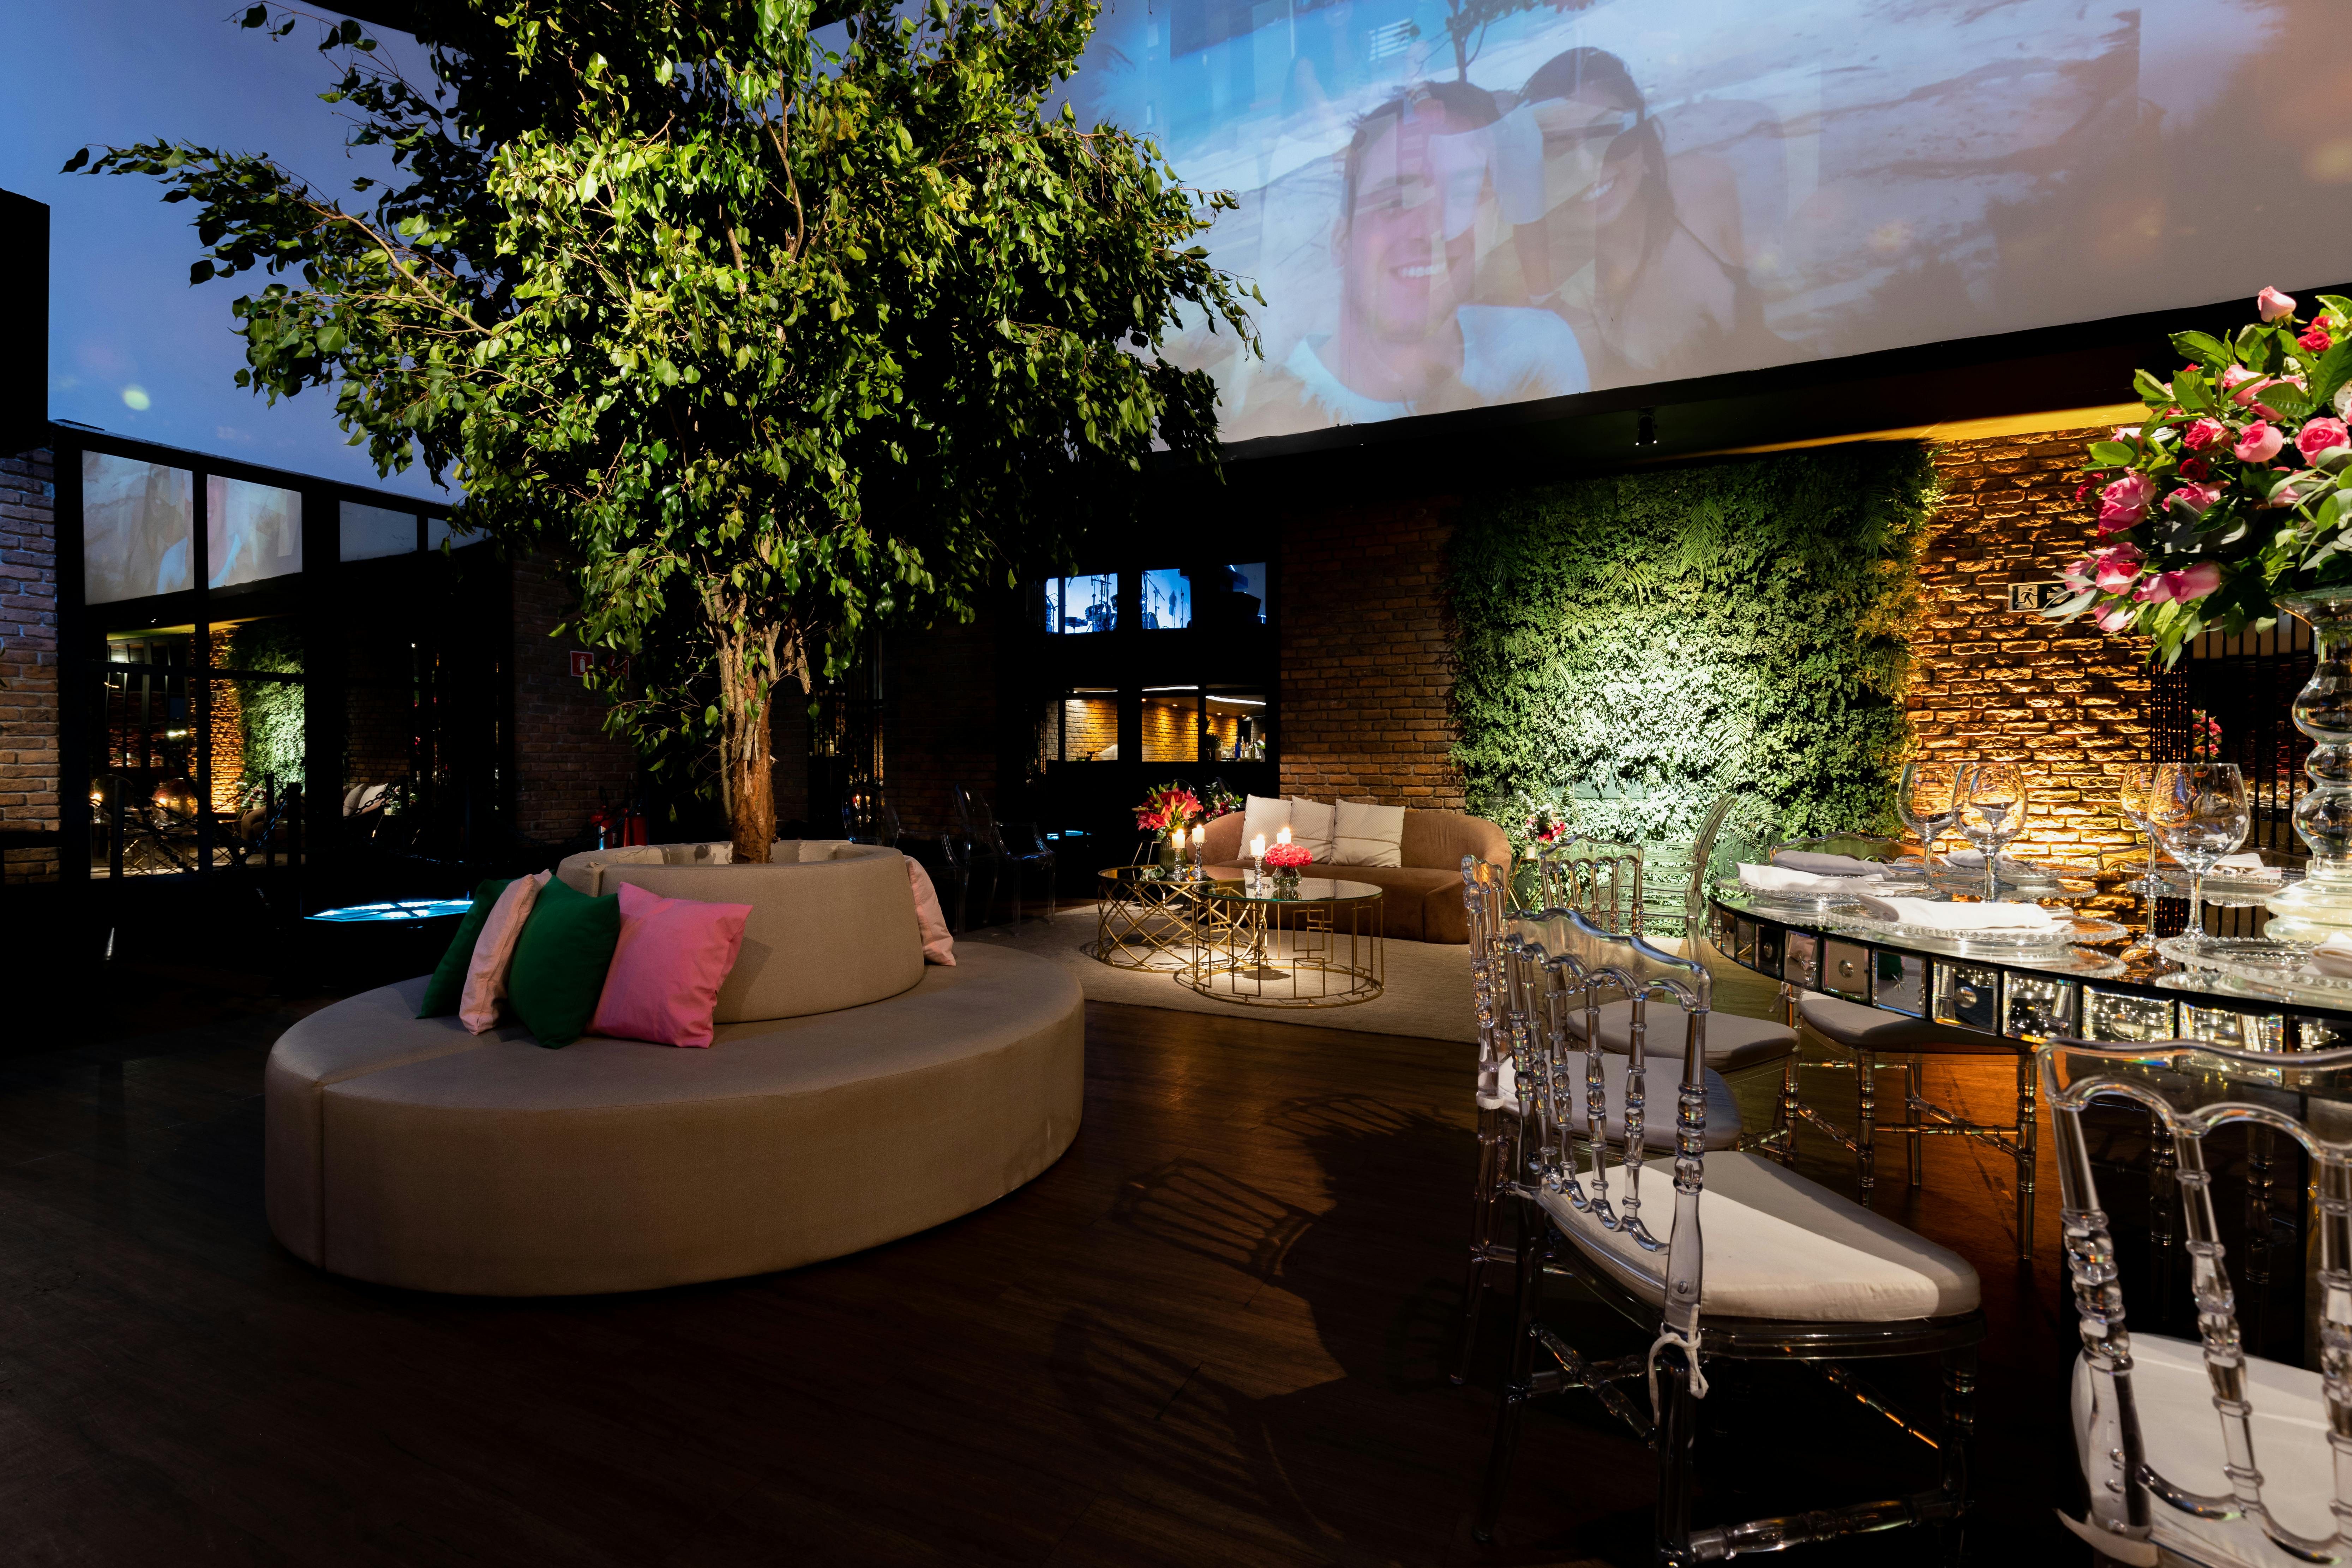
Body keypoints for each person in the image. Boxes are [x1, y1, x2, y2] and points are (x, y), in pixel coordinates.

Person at [1228, 81, 1589, 438]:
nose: (1432, 229)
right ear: (1341, 239)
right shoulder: (1278, 416)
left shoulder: (1544, 347)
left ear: (1491, 226)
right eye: (1396, 201)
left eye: (1462, 195)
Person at [1510, 48, 1780, 388]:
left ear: (1641, 133)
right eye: (1559, 147)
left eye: (1607, 133)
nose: (1585, 166)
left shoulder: (1706, 185)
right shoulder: (1555, 281)